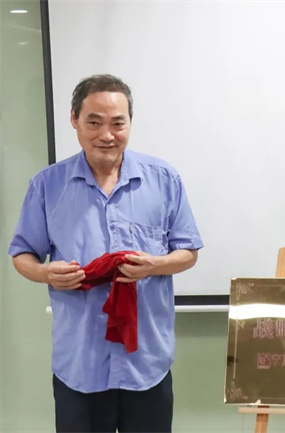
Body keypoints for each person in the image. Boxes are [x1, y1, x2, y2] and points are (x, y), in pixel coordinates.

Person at [8, 74, 203, 432]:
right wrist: (45, 273)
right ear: (74, 120)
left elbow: (188, 252)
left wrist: (155, 265)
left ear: (130, 123)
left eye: (118, 123)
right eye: (94, 122)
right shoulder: (47, 185)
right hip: (79, 362)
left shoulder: (164, 179)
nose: (107, 135)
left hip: (146, 362)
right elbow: (22, 254)